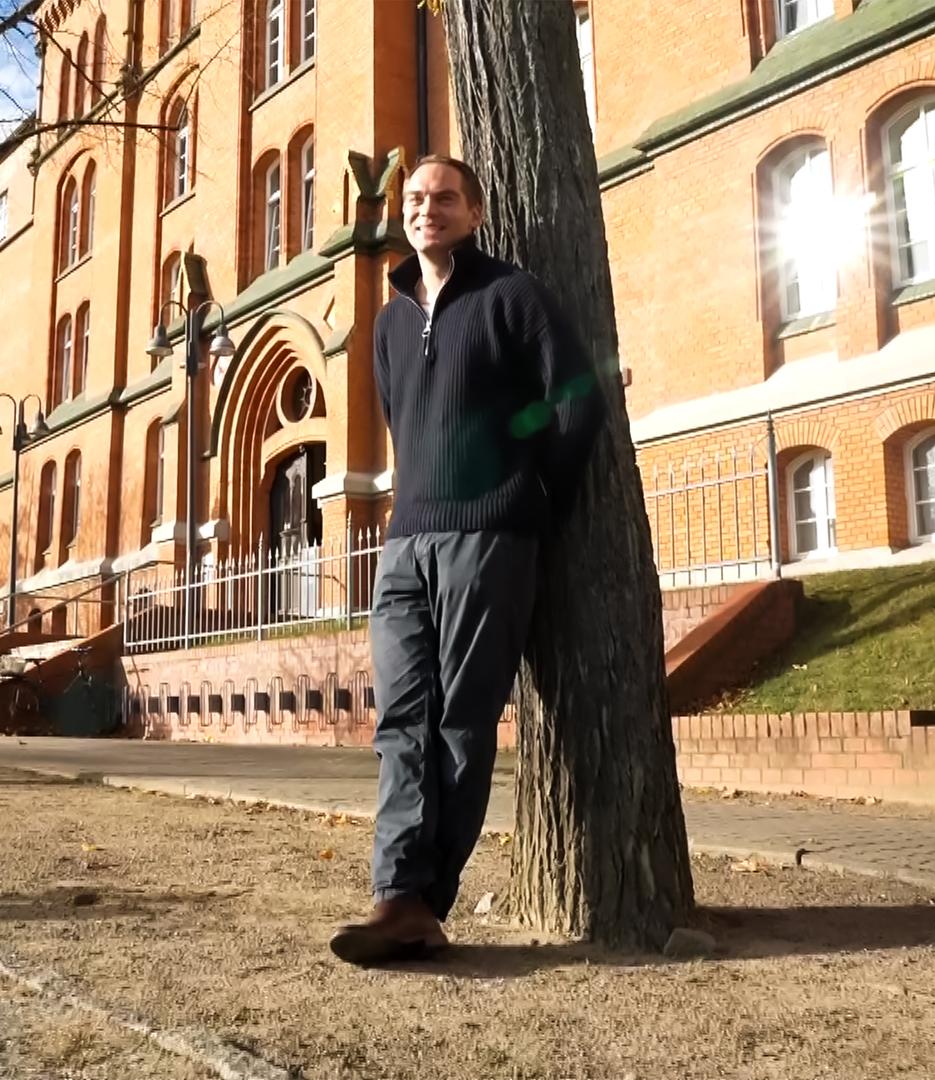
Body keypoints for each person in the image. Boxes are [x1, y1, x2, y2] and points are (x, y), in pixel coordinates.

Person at [329, 155, 604, 966]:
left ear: (475, 212)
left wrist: (528, 491)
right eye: (415, 198)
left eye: (445, 197)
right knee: (400, 718)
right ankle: (396, 892)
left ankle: (418, 898)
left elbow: (575, 400)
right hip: (405, 540)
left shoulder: (511, 296)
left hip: (491, 538)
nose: (427, 208)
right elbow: (398, 418)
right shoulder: (385, 321)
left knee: (460, 721)